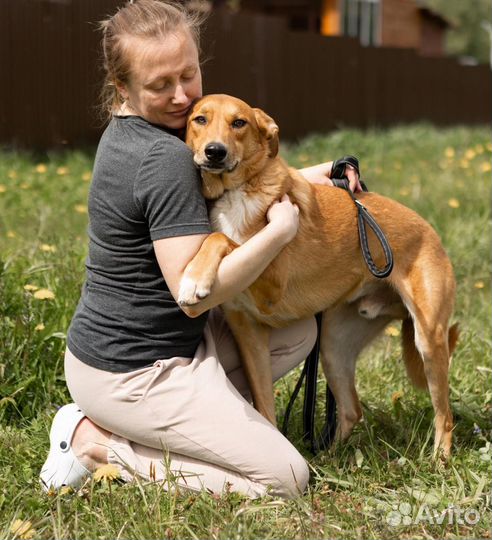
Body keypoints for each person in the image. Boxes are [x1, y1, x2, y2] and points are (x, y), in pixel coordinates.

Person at [40, 0, 361, 499]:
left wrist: (307, 180)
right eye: (160, 85)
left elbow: (234, 178)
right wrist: (280, 231)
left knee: (295, 329)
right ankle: (96, 442)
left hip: (149, 347)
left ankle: (192, 427)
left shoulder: (137, 130)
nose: (181, 96)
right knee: (285, 480)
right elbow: (195, 297)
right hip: (133, 370)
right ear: (122, 87)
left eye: (188, 76)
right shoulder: (164, 157)